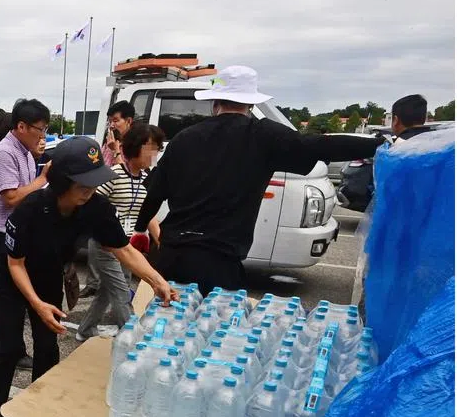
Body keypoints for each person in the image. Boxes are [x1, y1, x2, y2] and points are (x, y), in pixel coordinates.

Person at [132, 65, 386, 293]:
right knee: (210, 338)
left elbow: (155, 193)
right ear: (251, 105)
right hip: (218, 265)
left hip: (170, 258)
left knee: (163, 335)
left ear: (214, 103)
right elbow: (321, 146)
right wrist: (379, 146)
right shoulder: (264, 136)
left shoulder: (184, 138)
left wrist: (141, 229)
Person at [0, 136, 178, 417]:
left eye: (94, 182)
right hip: (12, 275)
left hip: (49, 272)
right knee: (8, 345)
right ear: (62, 181)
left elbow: (123, 249)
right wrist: (36, 304)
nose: (90, 191)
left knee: (47, 343)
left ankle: (40, 403)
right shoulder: (31, 208)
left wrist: (157, 281)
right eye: (83, 184)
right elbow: (15, 263)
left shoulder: (95, 206)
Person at [75, 123, 166, 342]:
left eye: (157, 148)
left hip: (128, 247)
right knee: (122, 292)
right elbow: (92, 204)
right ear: (135, 147)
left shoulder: (147, 180)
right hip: (106, 246)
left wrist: (160, 239)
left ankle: (85, 329)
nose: (154, 154)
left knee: (108, 291)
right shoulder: (113, 174)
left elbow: (149, 214)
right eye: (150, 147)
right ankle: (135, 340)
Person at [0, 99, 52, 361]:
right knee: (7, 297)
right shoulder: (5, 153)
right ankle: (9, 350)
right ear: (21, 126)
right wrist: (43, 180)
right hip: (0, 234)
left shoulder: (24, 151)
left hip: (15, 230)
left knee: (9, 294)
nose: (43, 135)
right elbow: (10, 197)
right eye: (40, 129)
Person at [82, 100, 139, 301]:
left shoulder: (134, 146)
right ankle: (94, 285)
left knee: (122, 253)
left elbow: (126, 174)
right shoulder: (108, 142)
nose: (112, 125)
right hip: (103, 199)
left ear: (129, 121)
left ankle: (121, 298)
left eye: (116, 120)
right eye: (110, 121)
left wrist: (116, 151)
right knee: (94, 244)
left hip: (123, 207)